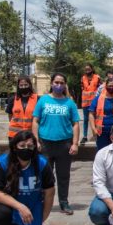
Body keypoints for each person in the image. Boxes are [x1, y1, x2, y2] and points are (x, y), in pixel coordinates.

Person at [32, 72, 79, 215]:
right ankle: (42, 202)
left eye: (61, 83)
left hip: (64, 144)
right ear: (51, 83)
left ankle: (64, 202)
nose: (59, 85)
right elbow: (35, 121)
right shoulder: (43, 100)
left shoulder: (69, 103)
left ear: (65, 85)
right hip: (45, 144)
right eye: (56, 82)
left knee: (63, 175)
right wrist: (36, 140)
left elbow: (75, 124)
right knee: (45, 175)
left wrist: (75, 143)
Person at [89, 77, 113, 150]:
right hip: (102, 131)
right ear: (106, 86)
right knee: (102, 151)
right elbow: (91, 113)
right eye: (109, 86)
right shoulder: (98, 98)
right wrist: (93, 129)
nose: (111, 88)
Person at [6, 76, 38, 141]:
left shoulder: (37, 99)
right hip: (14, 135)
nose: (23, 87)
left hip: (31, 134)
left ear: (30, 85)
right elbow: (10, 116)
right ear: (18, 86)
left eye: (26, 85)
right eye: (21, 85)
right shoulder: (12, 99)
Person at [80, 65, 101, 144]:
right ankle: (85, 136)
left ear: (92, 69)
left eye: (89, 69)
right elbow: (82, 88)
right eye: (86, 69)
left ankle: (96, 135)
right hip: (85, 102)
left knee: (96, 119)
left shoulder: (97, 77)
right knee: (86, 119)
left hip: (95, 102)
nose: (87, 70)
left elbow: (100, 89)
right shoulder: (83, 78)